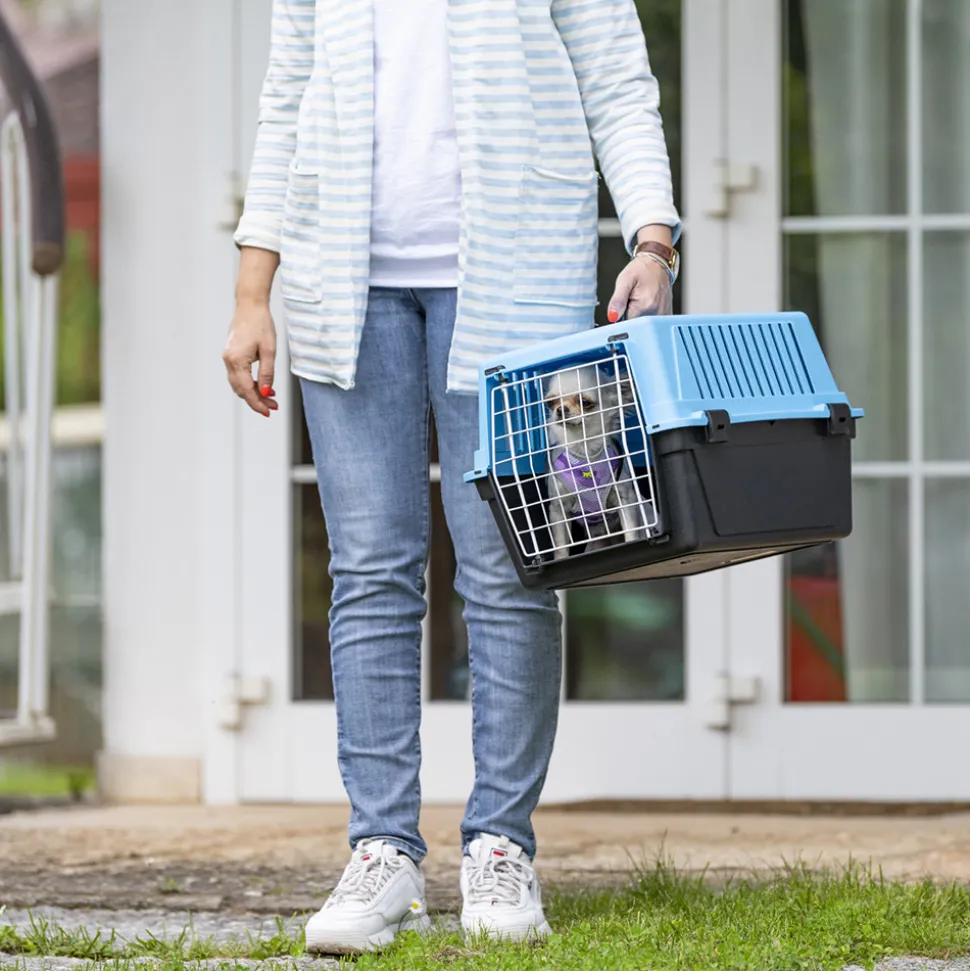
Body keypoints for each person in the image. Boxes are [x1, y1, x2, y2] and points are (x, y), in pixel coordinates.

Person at [224, 0, 680, 954]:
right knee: (371, 573)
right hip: (342, 285)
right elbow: (286, 100)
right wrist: (251, 292)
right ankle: (382, 852)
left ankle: (502, 846)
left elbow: (615, 74)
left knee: (511, 568)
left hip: (518, 280)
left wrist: (652, 235)